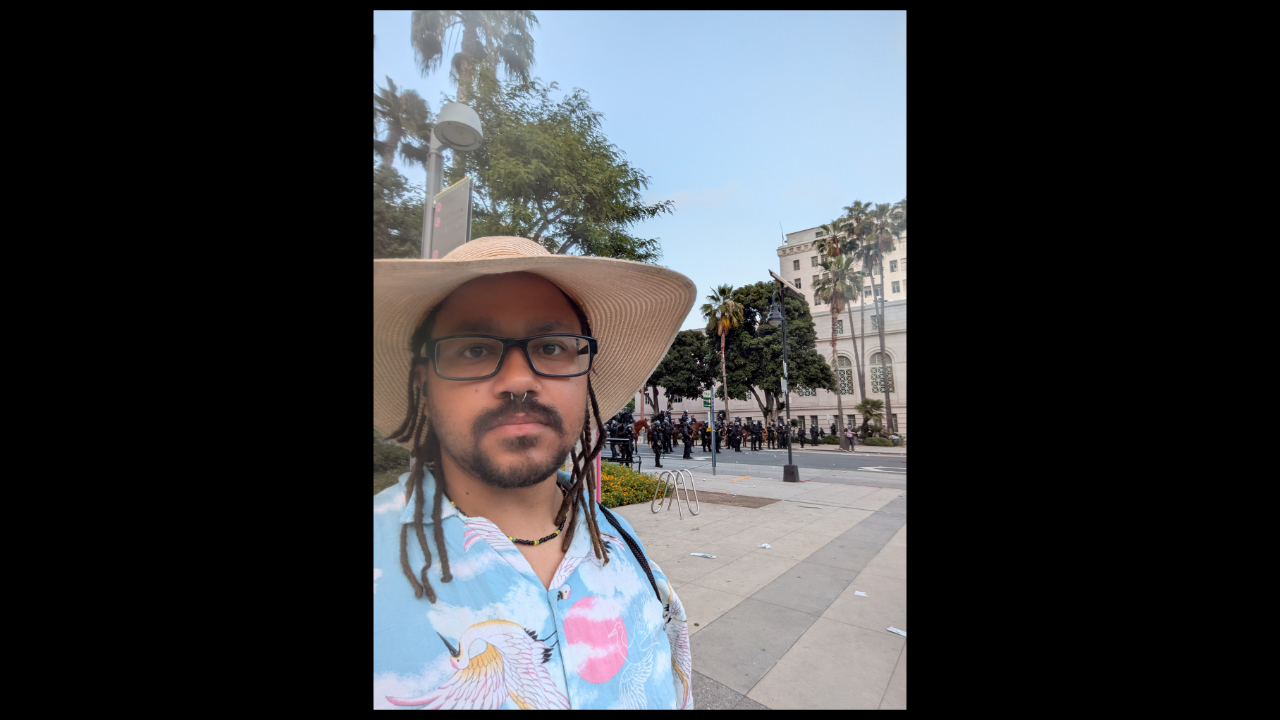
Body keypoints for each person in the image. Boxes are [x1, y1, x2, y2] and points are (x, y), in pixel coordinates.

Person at [373, 236, 694, 709]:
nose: (519, 380)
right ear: (424, 382)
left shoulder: (632, 555)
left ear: (586, 376)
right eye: (474, 350)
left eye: (551, 346)